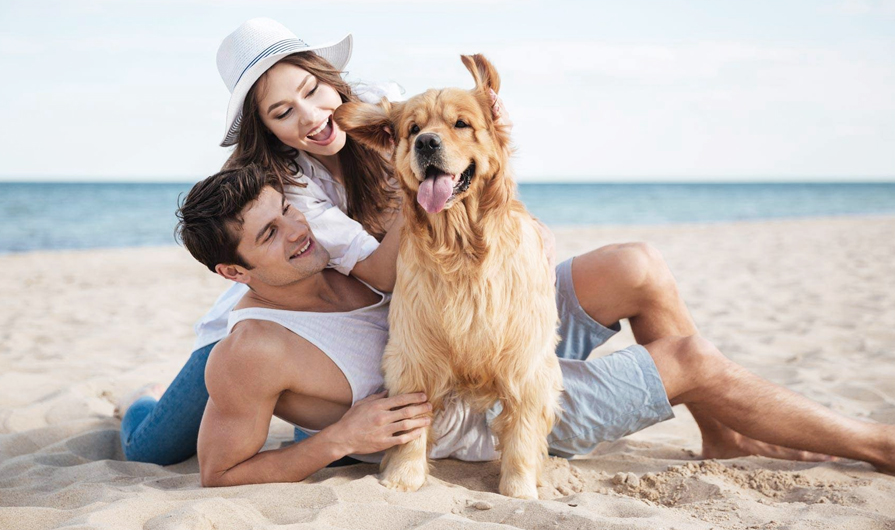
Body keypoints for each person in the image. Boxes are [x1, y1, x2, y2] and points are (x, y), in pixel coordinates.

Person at [174, 166, 894, 487]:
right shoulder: (252, 349)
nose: (296, 233)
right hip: (486, 415)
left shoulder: (332, 255)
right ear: (234, 274)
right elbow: (219, 474)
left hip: (488, 335)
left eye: (288, 211)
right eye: (268, 236)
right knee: (689, 358)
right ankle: (875, 445)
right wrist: (338, 441)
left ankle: (723, 435)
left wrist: (520, 235)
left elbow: (445, 216)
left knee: (633, 266)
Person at [117, 17, 512, 464]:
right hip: (277, 310)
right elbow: (383, 272)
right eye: (282, 112)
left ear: (330, 78)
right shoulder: (287, 185)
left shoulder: (383, 107)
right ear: (267, 129)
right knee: (152, 448)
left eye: (310, 90)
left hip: (341, 310)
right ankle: (141, 399)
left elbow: (466, 152)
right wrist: (414, 190)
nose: (310, 116)